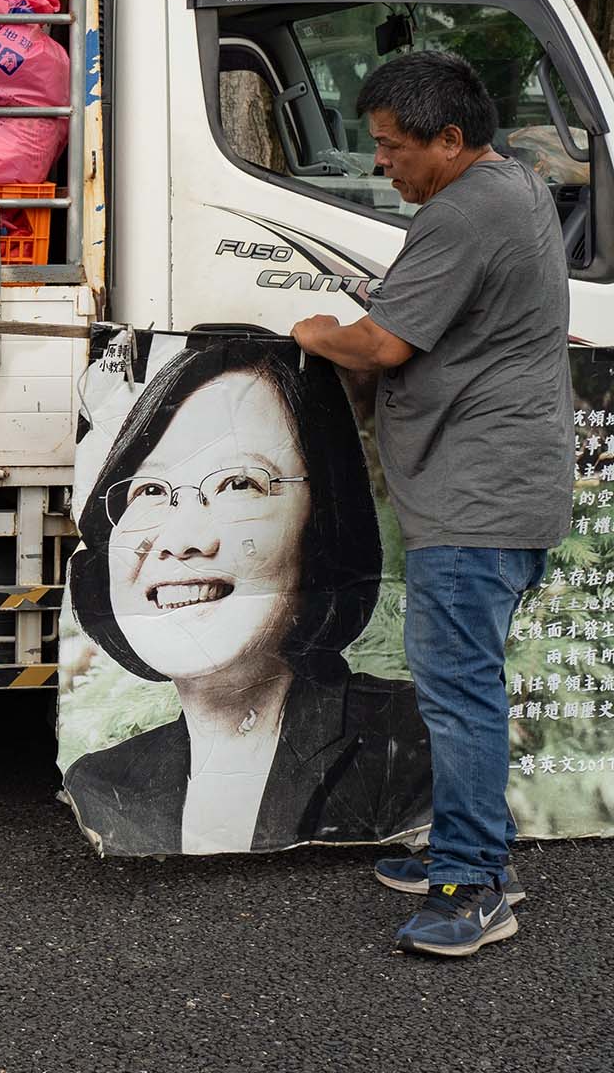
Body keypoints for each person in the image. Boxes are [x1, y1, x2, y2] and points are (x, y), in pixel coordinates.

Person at [293, 50, 572, 958]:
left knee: (459, 698)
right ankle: (479, 849)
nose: (383, 164)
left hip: (478, 497)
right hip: (502, 485)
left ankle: (469, 886)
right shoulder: (513, 185)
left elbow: (382, 345)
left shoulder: (461, 213)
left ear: (450, 141)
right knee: (466, 688)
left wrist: (313, 331)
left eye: (393, 147)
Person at [64, 338, 430, 856]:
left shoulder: (413, 743)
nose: (179, 538)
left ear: (324, 520)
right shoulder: (103, 782)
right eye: (149, 491)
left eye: (239, 484)